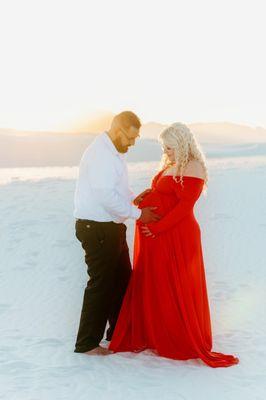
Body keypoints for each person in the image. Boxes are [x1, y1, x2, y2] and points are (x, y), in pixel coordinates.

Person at [109, 122, 239, 368]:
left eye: (169, 148)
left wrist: (157, 228)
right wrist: (146, 196)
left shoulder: (194, 166)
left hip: (177, 235)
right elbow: (167, 192)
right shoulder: (171, 164)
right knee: (159, 283)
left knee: (175, 284)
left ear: (182, 144)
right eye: (164, 148)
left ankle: (177, 335)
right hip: (160, 236)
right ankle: (157, 333)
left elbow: (184, 207)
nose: (165, 152)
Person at [73, 111, 160, 355]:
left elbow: (117, 188)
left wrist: (134, 199)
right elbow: (105, 194)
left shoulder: (113, 152)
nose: (132, 143)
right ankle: (87, 343)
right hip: (97, 228)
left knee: (122, 281)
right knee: (101, 285)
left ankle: (118, 335)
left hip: (110, 227)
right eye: (130, 138)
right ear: (117, 129)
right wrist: (138, 214)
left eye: (136, 138)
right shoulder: (101, 154)